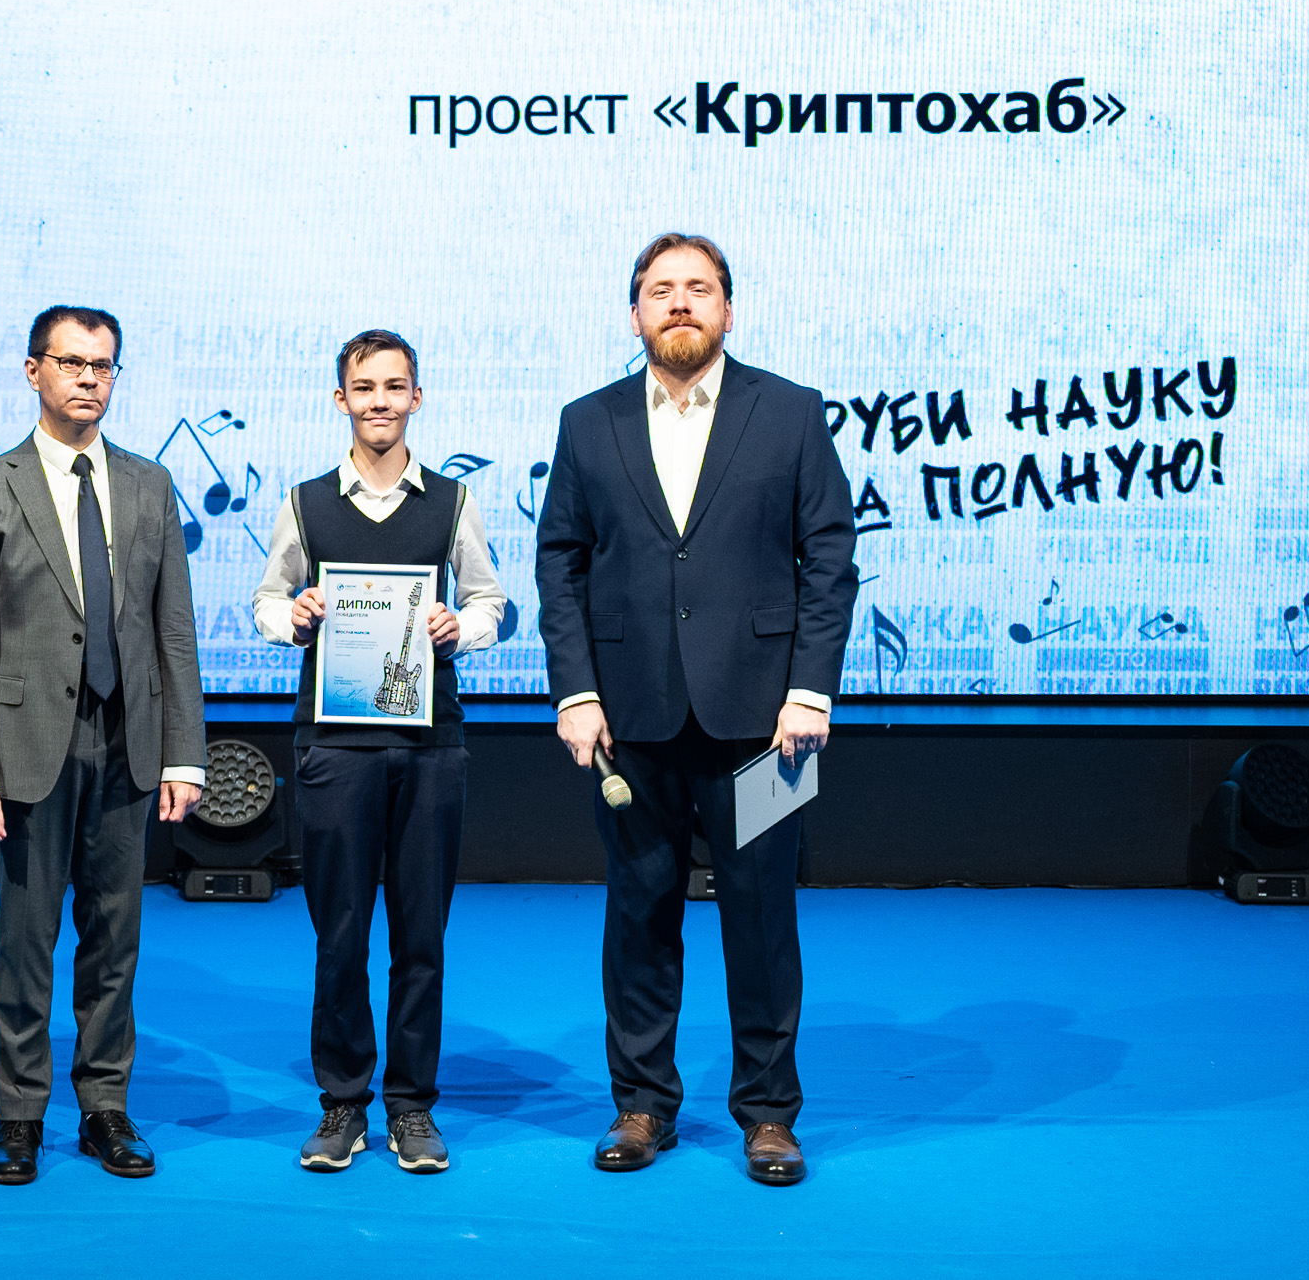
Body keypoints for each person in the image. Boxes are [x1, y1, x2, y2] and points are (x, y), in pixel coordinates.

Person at [534, 233, 856, 1186]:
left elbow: (829, 558)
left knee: (763, 919)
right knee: (638, 914)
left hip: (767, 726)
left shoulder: (790, 411)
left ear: (728, 309)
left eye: (699, 288)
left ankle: (769, 1114)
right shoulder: (587, 421)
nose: (681, 303)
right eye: (662, 289)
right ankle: (641, 1105)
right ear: (635, 312)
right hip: (628, 720)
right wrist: (576, 690)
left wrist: (809, 690)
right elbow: (561, 564)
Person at [0, 307, 207, 1185]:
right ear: (34, 371)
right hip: (27, 746)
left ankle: (105, 1107)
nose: (89, 379)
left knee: (115, 936)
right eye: (72, 363)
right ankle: (19, 1115)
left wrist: (185, 752)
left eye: (103, 366)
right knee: (27, 939)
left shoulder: (150, 484)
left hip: (129, 741)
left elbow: (174, 633)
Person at [250, 330, 508, 1175]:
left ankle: (412, 1106)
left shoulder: (454, 504)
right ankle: (342, 1103)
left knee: (421, 936)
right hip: (334, 748)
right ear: (341, 400)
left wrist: (461, 627)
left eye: (395, 387)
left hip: (432, 746)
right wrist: (292, 617)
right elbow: (267, 598)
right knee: (340, 936)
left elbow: (492, 601)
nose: (380, 401)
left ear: (416, 398)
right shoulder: (305, 502)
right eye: (364, 388)